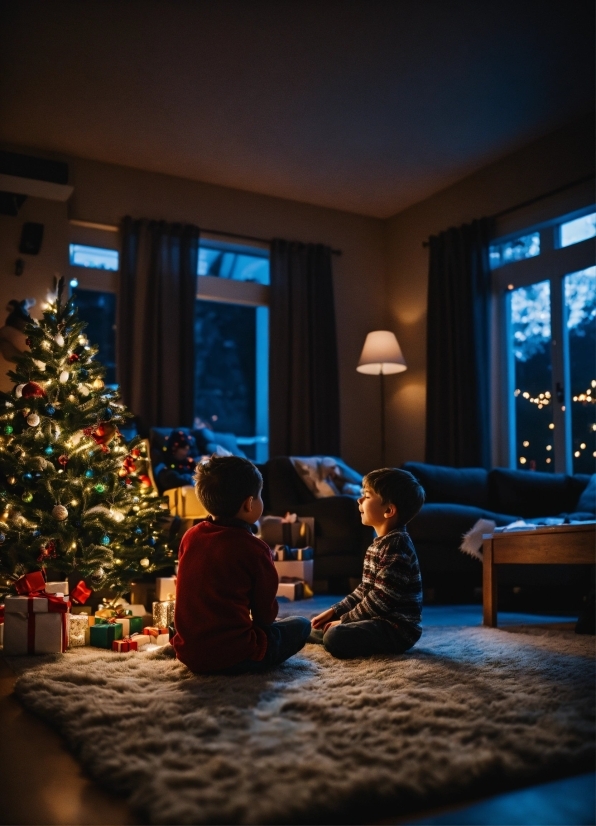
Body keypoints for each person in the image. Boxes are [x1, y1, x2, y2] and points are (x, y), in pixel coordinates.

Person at [172, 455, 312, 674]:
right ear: (248, 504)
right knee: (301, 624)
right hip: (238, 655)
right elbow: (265, 616)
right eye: (259, 496)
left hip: (189, 653)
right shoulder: (255, 549)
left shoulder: (190, 536)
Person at [309, 467, 425, 659]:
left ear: (388, 510)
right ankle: (302, 630)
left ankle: (323, 633)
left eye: (367, 496)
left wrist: (344, 621)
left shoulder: (397, 545)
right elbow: (365, 590)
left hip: (396, 629)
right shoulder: (379, 544)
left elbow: (381, 599)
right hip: (376, 619)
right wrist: (334, 611)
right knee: (316, 626)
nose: (359, 500)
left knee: (335, 636)